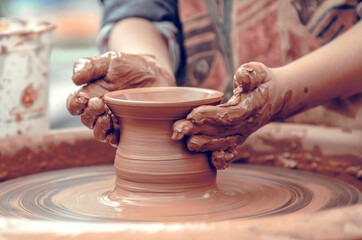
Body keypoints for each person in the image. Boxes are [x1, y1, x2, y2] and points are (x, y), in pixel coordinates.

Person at [67, 0, 362, 169]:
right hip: (205, 145)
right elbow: (137, 10)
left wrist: (284, 91)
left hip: (346, 147)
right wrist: (149, 66)